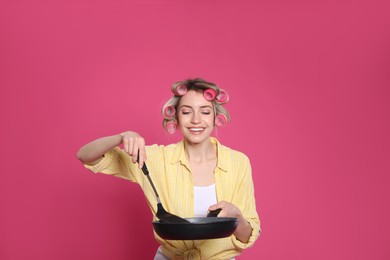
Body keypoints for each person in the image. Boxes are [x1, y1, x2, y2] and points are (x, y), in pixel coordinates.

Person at [77, 78, 261, 259]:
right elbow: (85, 155)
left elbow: (246, 236)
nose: (196, 120)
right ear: (176, 117)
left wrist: (237, 216)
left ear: (215, 117)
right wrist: (122, 136)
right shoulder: (154, 158)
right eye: (187, 112)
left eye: (205, 112)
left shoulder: (238, 162)